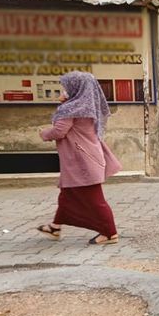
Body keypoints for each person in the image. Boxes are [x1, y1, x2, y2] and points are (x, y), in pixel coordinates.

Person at [37, 71, 122, 245]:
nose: (64, 90)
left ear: (76, 88)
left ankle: (110, 233)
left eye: (66, 87)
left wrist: (43, 133)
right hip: (85, 158)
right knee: (67, 195)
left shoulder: (72, 109)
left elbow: (59, 131)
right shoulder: (87, 106)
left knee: (95, 199)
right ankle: (55, 226)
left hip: (82, 162)